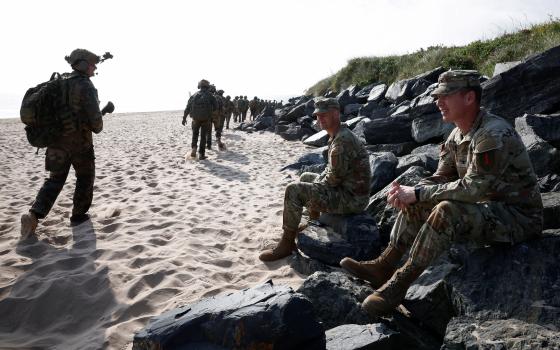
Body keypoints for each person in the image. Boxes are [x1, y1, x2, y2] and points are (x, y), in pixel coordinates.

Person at [340, 70, 544, 318]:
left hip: (518, 218)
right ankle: (384, 264)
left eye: (445, 96)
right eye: (437, 96)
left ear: (469, 98)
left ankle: (399, 284)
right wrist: (405, 193)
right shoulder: (456, 134)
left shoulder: (492, 134)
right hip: (486, 208)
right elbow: (442, 178)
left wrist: (418, 192)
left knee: (444, 209)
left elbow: (472, 188)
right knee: (418, 201)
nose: (438, 102)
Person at [259, 97, 372, 261]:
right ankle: (314, 221)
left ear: (335, 114)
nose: (319, 119)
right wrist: (316, 183)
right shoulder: (338, 134)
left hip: (352, 199)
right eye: (317, 115)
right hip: (347, 190)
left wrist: (315, 187)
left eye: (323, 115)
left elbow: (333, 179)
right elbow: (332, 172)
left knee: (294, 190)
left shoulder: (342, 141)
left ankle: (287, 243)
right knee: (306, 177)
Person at [20, 49, 107, 238]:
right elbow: (97, 125)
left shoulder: (58, 83)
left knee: (54, 181)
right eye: (92, 64)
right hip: (80, 145)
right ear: (83, 65)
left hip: (55, 142)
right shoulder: (85, 85)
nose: (95, 68)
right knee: (85, 178)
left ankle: (33, 216)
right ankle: (78, 216)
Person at [183, 79, 217, 160]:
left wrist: (184, 118)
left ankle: (194, 148)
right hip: (206, 119)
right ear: (207, 86)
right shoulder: (210, 95)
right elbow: (216, 107)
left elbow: (187, 108)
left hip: (195, 119)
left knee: (195, 135)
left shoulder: (194, 95)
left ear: (199, 86)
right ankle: (201, 154)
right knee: (203, 136)